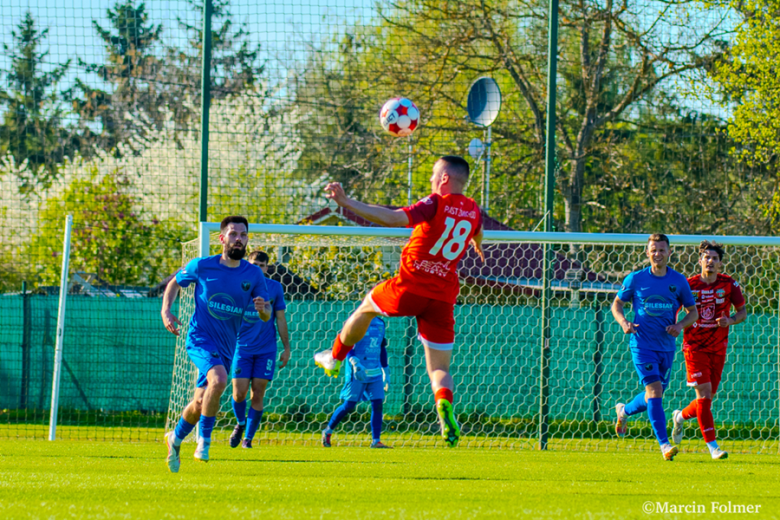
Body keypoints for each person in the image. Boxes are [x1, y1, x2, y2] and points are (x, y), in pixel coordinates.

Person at [314, 155, 484, 448]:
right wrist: (477, 245)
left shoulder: (435, 202)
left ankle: (335, 357)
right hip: (443, 297)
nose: (431, 180)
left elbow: (394, 218)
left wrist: (346, 202)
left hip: (410, 287)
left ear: (444, 178)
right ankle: (443, 406)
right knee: (440, 370)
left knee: (366, 307)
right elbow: (478, 233)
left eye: (433, 175)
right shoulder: (473, 210)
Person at [161, 216, 271, 472]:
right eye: (233, 234)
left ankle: (175, 438)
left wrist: (262, 309)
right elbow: (174, 282)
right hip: (199, 338)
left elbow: (266, 314)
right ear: (222, 238)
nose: (238, 239)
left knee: (201, 402)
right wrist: (166, 311)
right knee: (220, 380)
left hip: (226, 346)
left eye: (243, 235)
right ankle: (204, 442)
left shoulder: (253, 274)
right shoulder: (202, 266)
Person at [612, 233, 698, 461]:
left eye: (661, 250)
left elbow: (693, 312)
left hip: (666, 347)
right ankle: (664, 445)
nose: (657, 254)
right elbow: (617, 304)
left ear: (669, 252)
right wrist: (624, 322)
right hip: (642, 344)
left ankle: (623, 411)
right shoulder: (636, 279)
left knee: (653, 395)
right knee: (655, 391)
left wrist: (679, 325)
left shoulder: (679, 281)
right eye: (654, 250)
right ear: (647, 252)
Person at [671, 241, 747, 460]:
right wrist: (673, 326)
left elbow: (742, 312)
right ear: (700, 261)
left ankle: (679, 417)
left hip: (718, 348)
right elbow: (674, 310)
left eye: (715, 258)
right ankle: (713, 447)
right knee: (704, 395)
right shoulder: (689, 284)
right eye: (707, 257)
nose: (710, 261)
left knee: (706, 400)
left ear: (720, 263)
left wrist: (730, 320)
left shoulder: (729, 284)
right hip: (694, 347)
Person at [230, 250, 291, 448]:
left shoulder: (274, 288)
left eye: (261, 265)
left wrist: (286, 348)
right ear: (247, 264)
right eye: (254, 264)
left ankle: (248, 439)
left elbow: (280, 318)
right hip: (242, 348)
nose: (257, 268)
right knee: (239, 394)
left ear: (266, 268)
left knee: (257, 393)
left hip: (266, 350)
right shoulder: (238, 286)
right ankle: (240, 423)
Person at [322, 317, 391, 449]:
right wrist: (355, 362)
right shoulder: (356, 320)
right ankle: (328, 431)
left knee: (377, 404)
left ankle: (376, 441)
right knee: (349, 405)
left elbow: (381, 347)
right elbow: (347, 344)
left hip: (375, 371)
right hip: (358, 371)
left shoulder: (380, 323)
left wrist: (385, 370)